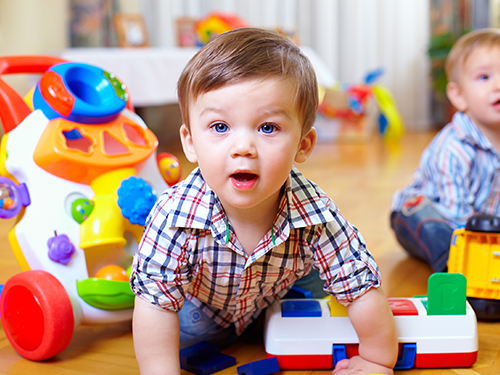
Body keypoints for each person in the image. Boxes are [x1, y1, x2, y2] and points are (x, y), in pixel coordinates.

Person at [131, 27, 398, 375]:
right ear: (190, 142)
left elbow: (360, 287)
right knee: (165, 319)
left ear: (303, 145)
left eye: (268, 128)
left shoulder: (316, 212)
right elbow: (155, 304)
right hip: (199, 316)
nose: (243, 147)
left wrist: (378, 359)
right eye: (220, 127)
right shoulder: (174, 214)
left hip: (279, 299)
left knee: (322, 292)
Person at [391, 28, 500, 272]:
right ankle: (455, 269)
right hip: (426, 215)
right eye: (484, 77)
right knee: (434, 227)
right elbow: (456, 216)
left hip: (481, 226)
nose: (498, 85)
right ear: (458, 95)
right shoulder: (453, 148)